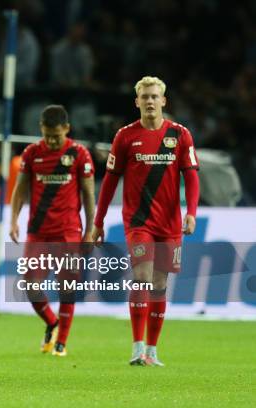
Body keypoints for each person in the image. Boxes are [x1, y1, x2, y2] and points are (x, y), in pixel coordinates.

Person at [92, 76, 199, 366]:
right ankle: (136, 348)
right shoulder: (125, 137)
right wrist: (98, 221)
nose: (150, 101)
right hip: (139, 222)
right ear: (137, 102)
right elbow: (110, 182)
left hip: (169, 223)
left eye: (155, 96)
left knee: (160, 284)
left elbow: (191, 176)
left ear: (164, 101)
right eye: (145, 97)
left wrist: (191, 212)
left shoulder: (179, 135)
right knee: (141, 277)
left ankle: (152, 351)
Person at [9, 104, 95, 357]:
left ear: (67, 129)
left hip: (68, 230)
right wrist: (14, 219)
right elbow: (20, 189)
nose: (52, 140)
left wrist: (90, 230)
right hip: (38, 230)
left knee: (67, 285)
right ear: (41, 130)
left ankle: (62, 342)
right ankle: (52, 321)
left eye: (56, 135)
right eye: (48, 135)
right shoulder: (32, 153)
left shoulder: (79, 154)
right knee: (29, 284)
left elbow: (89, 194)